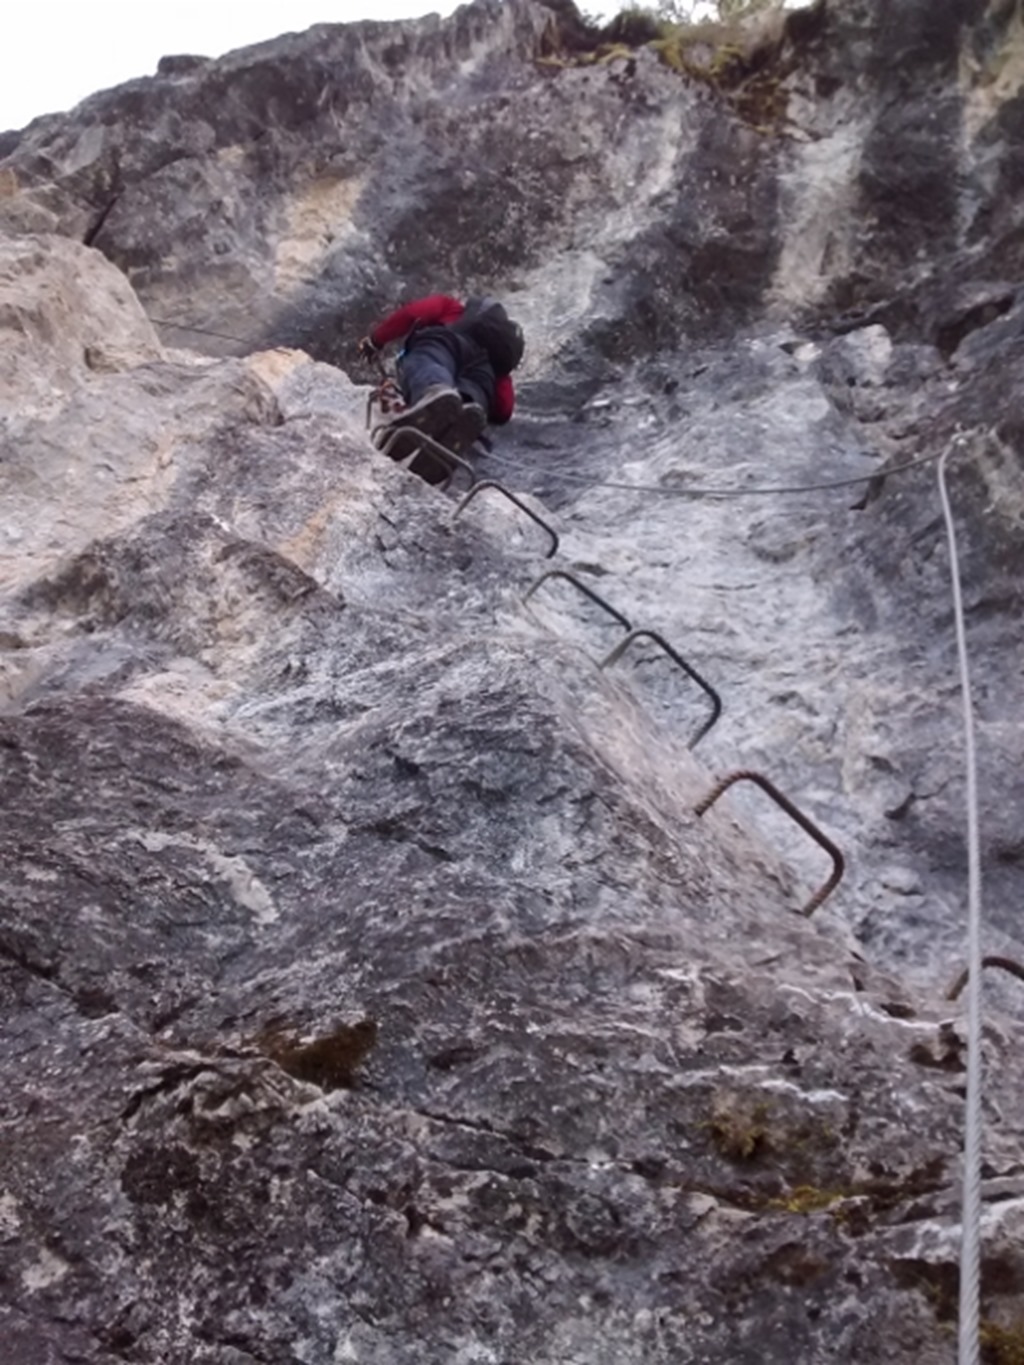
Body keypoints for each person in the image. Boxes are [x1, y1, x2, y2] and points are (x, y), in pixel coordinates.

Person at [359, 294, 523, 483]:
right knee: (474, 394)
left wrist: (375, 340)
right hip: (484, 373)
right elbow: (505, 408)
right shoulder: (499, 362)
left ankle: (436, 390)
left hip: (448, 341)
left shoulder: (453, 308)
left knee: (429, 363)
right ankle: (465, 409)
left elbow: (412, 313)